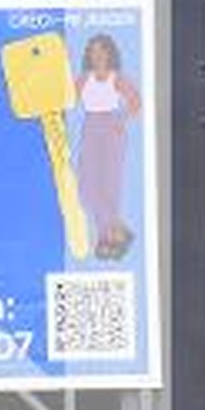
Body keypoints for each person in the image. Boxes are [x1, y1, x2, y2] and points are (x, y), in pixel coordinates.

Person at [73, 30, 141, 262]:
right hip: (90, 127)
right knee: (86, 186)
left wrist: (120, 118)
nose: (97, 56)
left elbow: (135, 101)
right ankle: (117, 231)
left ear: (110, 53)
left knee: (109, 183)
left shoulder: (117, 77)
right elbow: (68, 98)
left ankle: (107, 238)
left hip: (112, 128)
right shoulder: (83, 78)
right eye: (93, 52)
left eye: (102, 52)